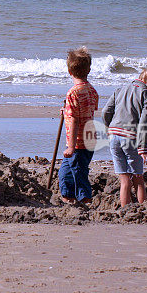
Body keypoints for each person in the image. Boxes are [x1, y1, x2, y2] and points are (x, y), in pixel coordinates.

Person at [102, 62, 147, 207]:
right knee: (138, 179)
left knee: (124, 179)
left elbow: (106, 112)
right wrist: (143, 149)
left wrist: (109, 128)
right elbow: (145, 124)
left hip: (114, 137)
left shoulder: (120, 89)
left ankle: (124, 209)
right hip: (131, 138)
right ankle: (142, 208)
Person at [58, 47, 99, 204]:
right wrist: (67, 110)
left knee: (79, 173)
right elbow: (88, 110)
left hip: (78, 143)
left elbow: (75, 119)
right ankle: (68, 198)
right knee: (65, 173)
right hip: (89, 139)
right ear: (89, 69)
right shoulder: (92, 90)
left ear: (69, 71)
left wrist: (71, 146)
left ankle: (85, 200)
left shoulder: (73, 92)